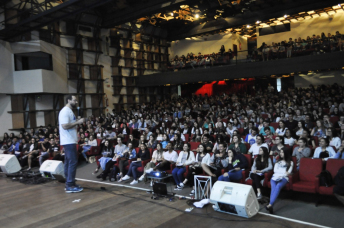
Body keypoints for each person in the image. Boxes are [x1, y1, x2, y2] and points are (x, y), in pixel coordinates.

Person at [59, 95, 85, 193]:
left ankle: (70, 182)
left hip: (70, 140)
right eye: (74, 100)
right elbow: (65, 126)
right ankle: (69, 185)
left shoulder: (69, 111)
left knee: (69, 162)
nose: (76, 102)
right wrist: (78, 123)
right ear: (68, 100)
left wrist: (77, 121)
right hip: (68, 140)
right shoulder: (65, 111)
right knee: (73, 162)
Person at [266, 148, 293, 214]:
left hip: (284, 178)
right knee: (273, 188)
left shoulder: (291, 162)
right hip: (275, 177)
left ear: (286, 153)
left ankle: (270, 204)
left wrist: (282, 173)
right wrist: (284, 171)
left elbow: (289, 172)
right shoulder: (277, 161)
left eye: (282, 152)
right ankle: (270, 205)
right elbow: (275, 170)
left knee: (278, 187)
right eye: (280, 152)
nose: (280, 154)